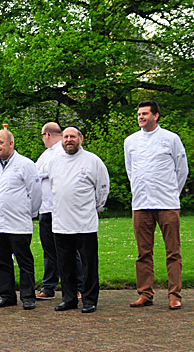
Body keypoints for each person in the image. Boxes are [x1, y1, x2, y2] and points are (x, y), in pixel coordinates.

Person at [124, 100, 188, 310]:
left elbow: (182, 169)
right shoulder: (130, 141)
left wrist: (171, 193)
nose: (140, 117)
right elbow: (130, 170)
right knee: (143, 253)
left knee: (173, 252)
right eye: (139, 114)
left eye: (145, 113)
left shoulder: (171, 139)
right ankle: (145, 293)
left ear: (156, 115)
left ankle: (174, 294)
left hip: (167, 203)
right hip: (141, 204)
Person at [49, 126, 109, 314]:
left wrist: (94, 208)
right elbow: (52, 185)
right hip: (61, 222)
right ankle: (69, 299)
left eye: (73, 136)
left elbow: (103, 189)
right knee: (65, 265)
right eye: (66, 136)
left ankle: (90, 300)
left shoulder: (93, 161)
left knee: (88, 264)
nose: (69, 139)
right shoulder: (55, 161)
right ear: (61, 140)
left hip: (85, 223)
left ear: (80, 138)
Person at [0, 129, 42, 310]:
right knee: (3, 262)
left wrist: (29, 211)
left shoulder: (25, 164)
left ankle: (28, 296)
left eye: (0, 142)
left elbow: (35, 192)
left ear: (11, 144)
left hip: (18, 223)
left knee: (24, 261)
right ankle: (7, 296)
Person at [35, 122, 84, 300]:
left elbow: (51, 171)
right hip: (45, 208)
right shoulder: (44, 155)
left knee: (69, 249)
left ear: (47, 134)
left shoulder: (62, 151)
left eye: (42, 136)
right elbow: (36, 173)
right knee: (49, 250)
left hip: (60, 209)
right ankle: (49, 285)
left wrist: (41, 172)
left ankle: (78, 286)